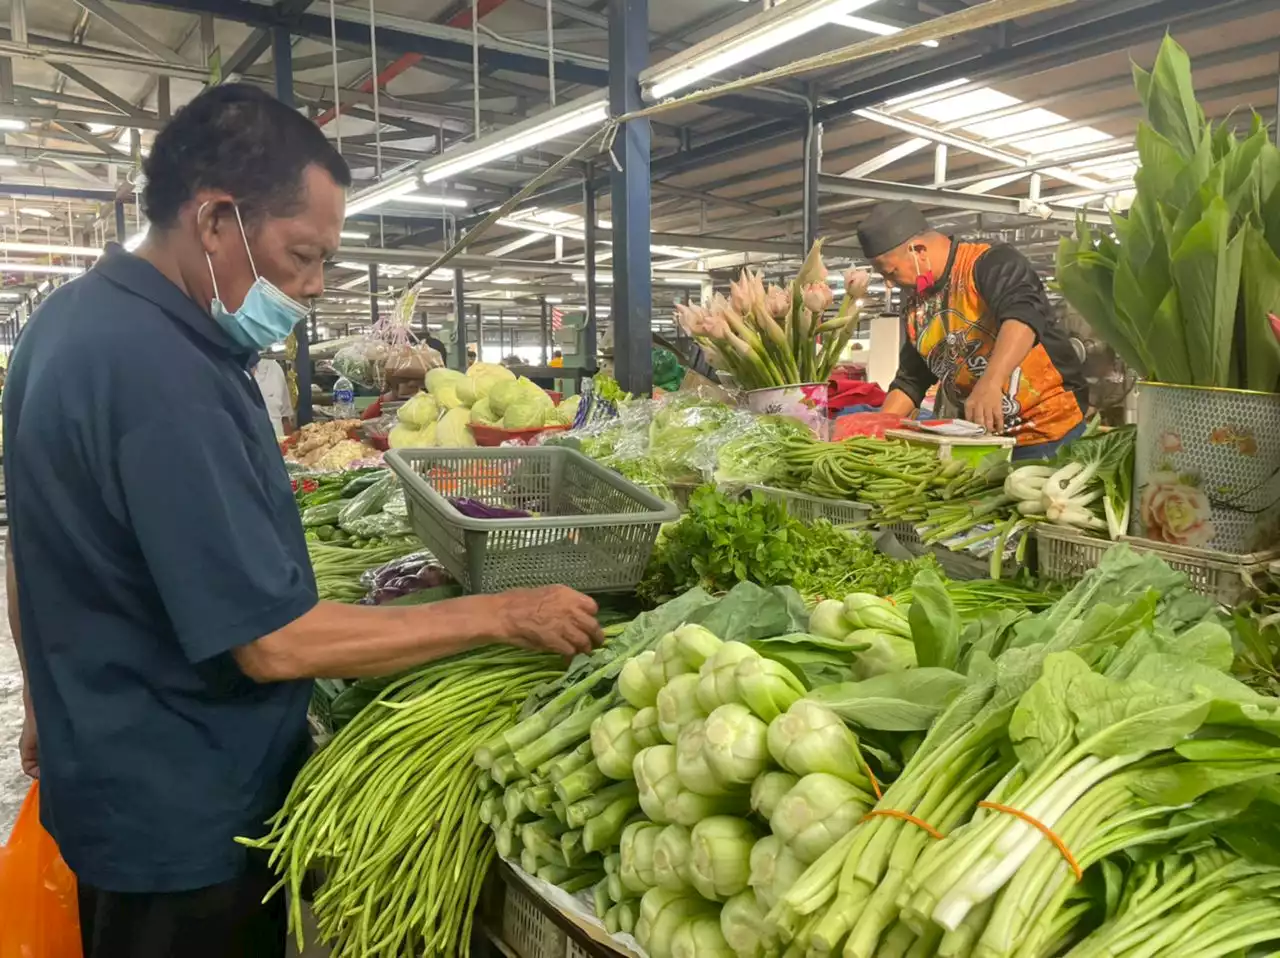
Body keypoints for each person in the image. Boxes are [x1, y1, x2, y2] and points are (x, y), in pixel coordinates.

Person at [4, 83, 601, 958]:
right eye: (302, 255)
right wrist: (504, 614)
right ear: (215, 220)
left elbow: (31, 547)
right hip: (187, 820)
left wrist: (44, 708)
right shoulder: (161, 372)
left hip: (112, 776)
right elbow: (272, 643)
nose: (314, 288)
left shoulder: (68, 322)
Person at [856, 200, 1086, 460]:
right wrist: (878, 429)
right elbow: (912, 379)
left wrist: (991, 381)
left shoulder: (989, 262)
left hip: (1049, 431)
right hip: (981, 441)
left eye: (891, 272)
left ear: (918, 250)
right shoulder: (915, 305)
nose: (889, 283)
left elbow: (1023, 316)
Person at [249, 353, 293, 438]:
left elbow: (285, 416)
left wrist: (289, 446)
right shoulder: (226, 373)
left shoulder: (273, 368)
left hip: (278, 443)